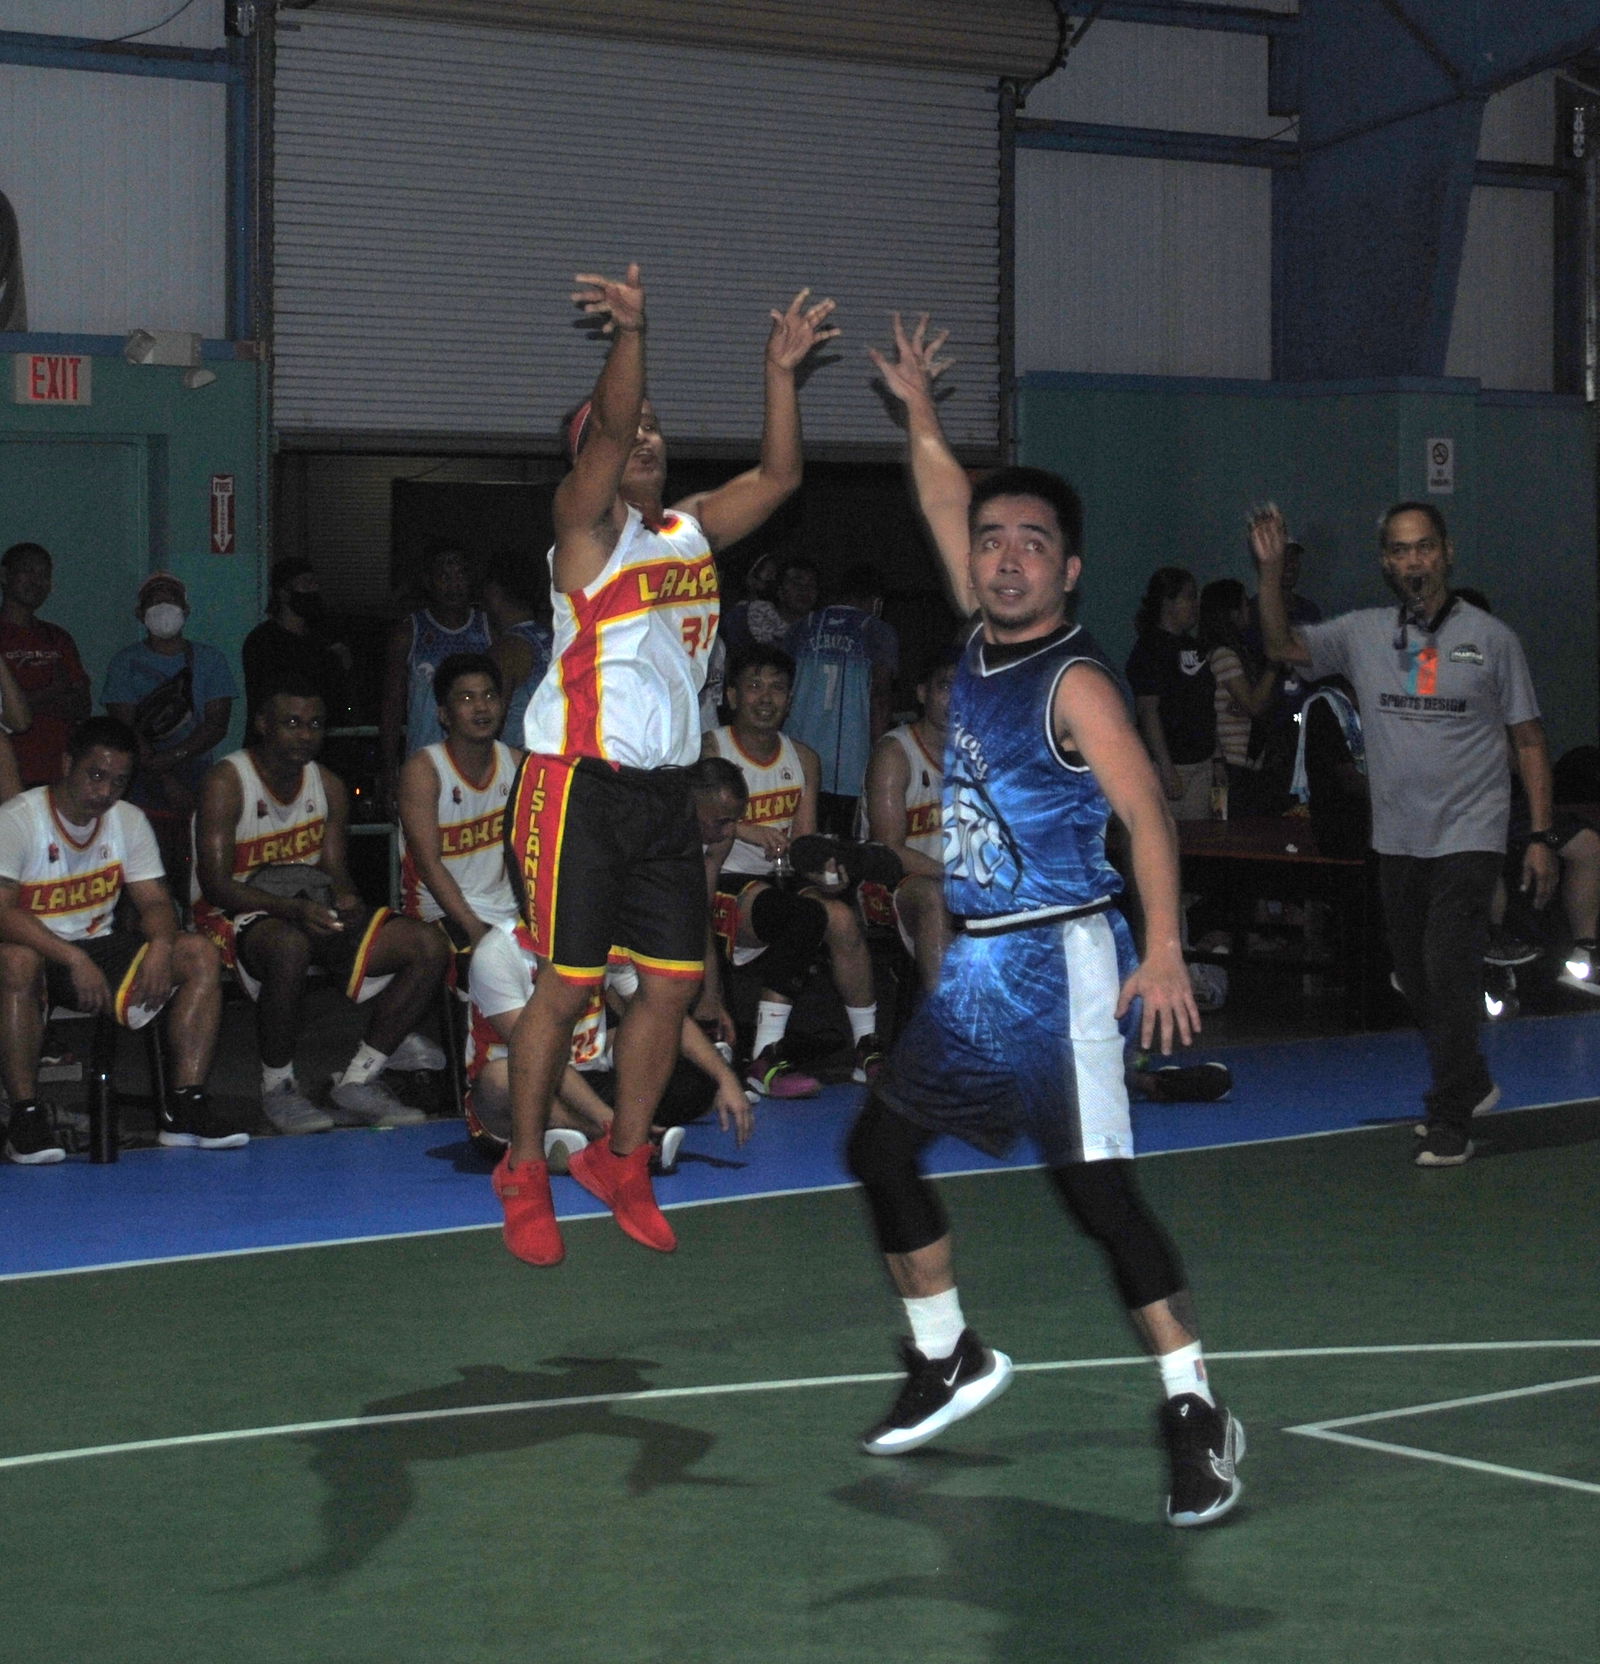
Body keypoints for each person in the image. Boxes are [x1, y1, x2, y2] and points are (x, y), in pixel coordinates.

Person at [851, 313, 1243, 1527]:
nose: (1008, 556)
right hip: (978, 968)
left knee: (1095, 1196)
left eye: (1034, 543)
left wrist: (1165, 946)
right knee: (876, 1149)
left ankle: (1194, 1407)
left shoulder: (1073, 678)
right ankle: (949, 1353)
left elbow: (1148, 814)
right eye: (993, 542)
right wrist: (918, 408)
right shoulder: (977, 636)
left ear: (1069, 571)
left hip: (1065, 959)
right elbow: (939, 494)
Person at [495, 264, 838, 1267]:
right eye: (627, 428)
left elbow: (776, 480)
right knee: (564, 985)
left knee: (676, 982)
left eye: (655, 426)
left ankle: (622, 1154)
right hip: (574, 783)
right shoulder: (583, 531)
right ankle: (522, 1164)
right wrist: (632, 336)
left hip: (662, 793)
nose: (644, 435)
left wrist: (780, 373)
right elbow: (605, 428)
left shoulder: (686, 529)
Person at [1250, 501, 1556, 1167]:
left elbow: (1528, 741)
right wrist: (1271, 574)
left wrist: (1540, 836)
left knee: (1448, 970)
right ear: (1385, 562)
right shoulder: (1362, 634)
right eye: (1398, 550)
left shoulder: (1492, 639)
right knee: (1414, 977)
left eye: (1423, 548)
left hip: (1470, 834)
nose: (1412, 561)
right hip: (1398, 839)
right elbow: (1281, 648)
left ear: (1445, 553)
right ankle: (1471, 1080)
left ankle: (1449, 1118)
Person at [192, 675, 453, 1135]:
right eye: (292, 723)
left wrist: (347, 899)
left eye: (314, 724)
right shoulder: (227, 781)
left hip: (304, 905)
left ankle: (359, 1079)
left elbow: (333, 870)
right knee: (291, 946)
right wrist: (293, 910)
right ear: (263, 725)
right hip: (231, 913)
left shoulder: (329, 785)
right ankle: (278, 1087)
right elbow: (215, 886)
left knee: (427, 944)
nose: (305, 734)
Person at [0, 716, 236, 1164]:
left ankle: (185, 1106)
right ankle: (25, 1117)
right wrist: (70, 957)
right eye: (95, 775)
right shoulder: (16, 820)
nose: (105, 791)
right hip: (34, 946)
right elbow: (2, 912)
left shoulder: (127, 821)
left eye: (118, 781)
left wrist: (162, 947)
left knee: (198, 953)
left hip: (98, 946)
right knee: (17, 962)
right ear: (67, 763)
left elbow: (154, 903)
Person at [702, 644, 885, 1097]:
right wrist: (744, 829)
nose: (766, 698)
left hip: (776, 885)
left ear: (790, 699)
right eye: (754, 686)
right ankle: (763, 1057)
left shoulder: (803, 758)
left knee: (840, 917)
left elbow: (803, 844)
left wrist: (826, 871)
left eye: (778, 688)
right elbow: (693, 822)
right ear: (731, 695)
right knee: (800, 916)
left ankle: (867, 1047)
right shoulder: (710, 748)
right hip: (716, 881)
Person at [103, 571, 238, 894]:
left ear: (186, 611)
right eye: (154, 600)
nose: (164, 606)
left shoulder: (210, 660)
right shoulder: (125, 662)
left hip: (198, 786)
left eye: (171, 599)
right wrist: (162, 776)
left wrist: (172, 758)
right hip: (140, 790)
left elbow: (217, 724)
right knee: (142, 885)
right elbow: (125, 730)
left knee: (198, 883)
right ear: (140, 613)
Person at [397, 653, 523, 947]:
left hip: (506, 913)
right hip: (439, 912)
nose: (481, 707)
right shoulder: (424, 771)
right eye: (466, 699)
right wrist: (474, 929)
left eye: (490, 695)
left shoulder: (517, 764)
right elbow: (428, 866)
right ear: (443, 714)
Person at [858, 646, 957, 990]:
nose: (955, 699)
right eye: (945, 687)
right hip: (887, 883)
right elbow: (888, 849)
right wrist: (957, 879)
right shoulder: (895, 751)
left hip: (953, 879)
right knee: (936, 897)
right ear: (922, 692)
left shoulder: (978, 754)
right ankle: (943, 1029)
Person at [783, 562, 898, 834]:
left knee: (802, 842)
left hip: (796, 758)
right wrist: (880, 757)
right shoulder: (877, 631)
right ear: (875, 600)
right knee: (845, 848)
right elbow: (880, 696)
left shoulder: (801, 627)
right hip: (852, 766)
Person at [380, 545, 492, 806]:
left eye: (460, 575)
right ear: (429, 582)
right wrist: (388, 771)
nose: (454, 585)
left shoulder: (488, 628)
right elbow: (392, 705)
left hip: (479, 766)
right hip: (424, 765)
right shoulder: (410, 631)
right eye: (445, 576)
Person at [1127, 568, 1219, 822]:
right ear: (1168, 601)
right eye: (1189, 597)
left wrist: (1217, 758)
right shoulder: (1150, 648)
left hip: (1201, 761)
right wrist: (1165, 767)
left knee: (1197, 845)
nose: (1196, 604)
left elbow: (1206, 705)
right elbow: (1148, 710)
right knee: (1168, 842)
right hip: (1170, 764)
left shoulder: (1194, 647)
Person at [0, 542, 90, 788]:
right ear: (6, 576)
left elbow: (81, 706)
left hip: (56, 774)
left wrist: (25, 701)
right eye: (28, 571)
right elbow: (9, 716)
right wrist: (51, 693)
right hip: (9, 774)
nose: (36, 581)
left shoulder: (58, 638)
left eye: (44, 575)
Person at [1198, 578, 1277, 818]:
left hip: (1245, 760)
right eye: (1244, 604)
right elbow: (1254, 705)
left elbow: (1256, 704)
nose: (1249, 611)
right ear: (1231, 612)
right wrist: (1274, 665)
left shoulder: (1232, 654)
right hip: (1232, 761)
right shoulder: (1225, 656)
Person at [242, 559, 351, 731]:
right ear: (284, 593)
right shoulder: (263, 641)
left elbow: (338, 694)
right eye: (306, 584)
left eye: (315, 583)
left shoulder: (323, 638)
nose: (313, 590)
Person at [481, 551, 552, 749]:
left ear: (494, 592)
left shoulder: (506, 651)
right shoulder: (555, 639)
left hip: (517, 767)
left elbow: (487, 725)